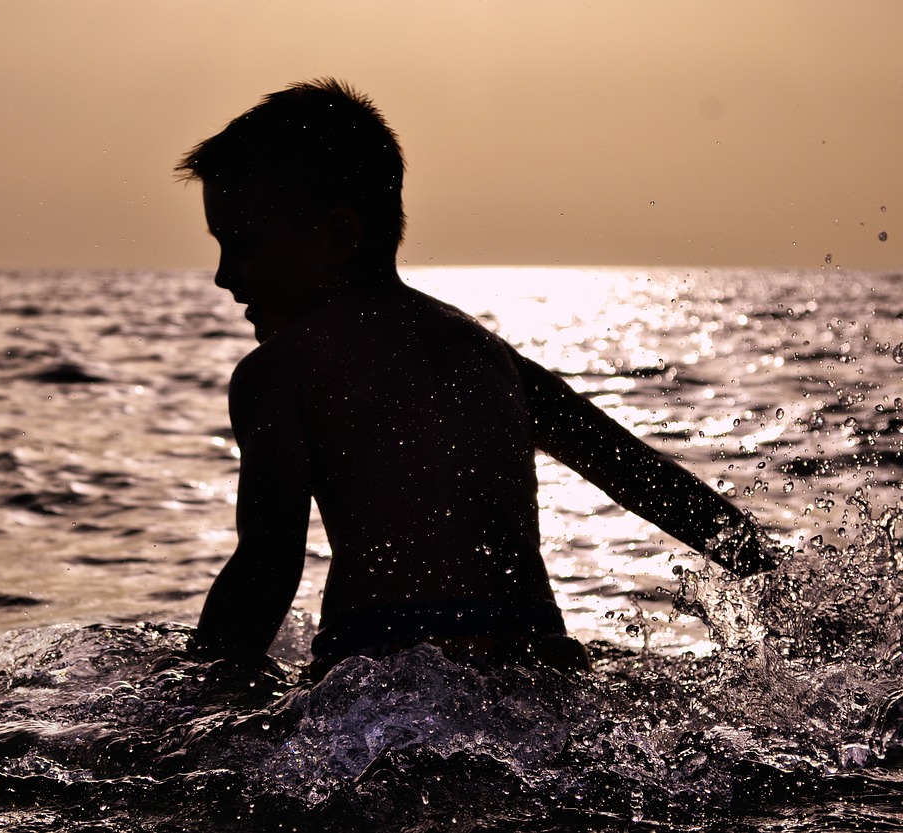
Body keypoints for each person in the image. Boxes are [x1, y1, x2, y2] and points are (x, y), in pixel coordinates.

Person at [176, 78, 774, 679]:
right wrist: (773, 577)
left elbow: (266, 566)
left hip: (385, 670)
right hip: (542, 669)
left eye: (241, 246)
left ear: (336, 239)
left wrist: (195, 696)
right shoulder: (486, 353)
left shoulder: (280, 372)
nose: (225, 277)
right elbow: (635, 472)